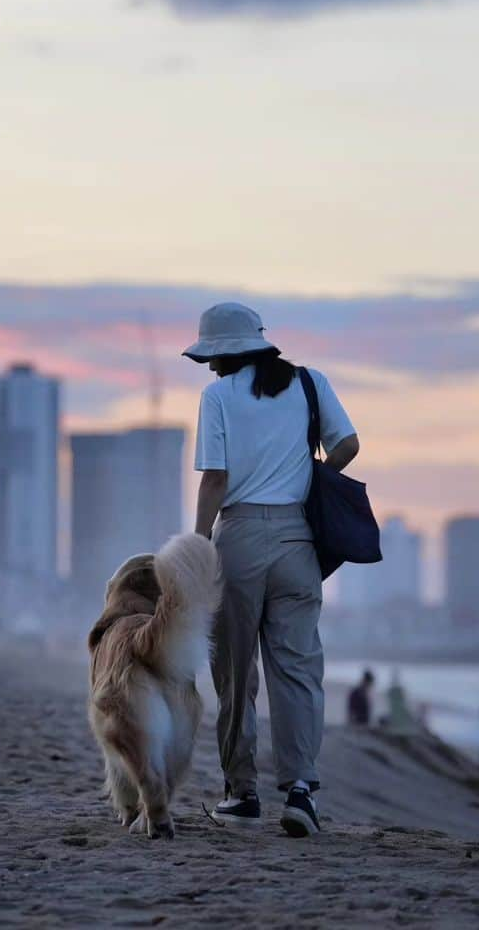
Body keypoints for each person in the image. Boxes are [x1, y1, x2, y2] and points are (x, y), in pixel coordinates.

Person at [187, 302, 360, 838]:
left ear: (226, 352)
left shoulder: (217, 397)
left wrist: (198, 546)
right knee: (298, 669)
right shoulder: (311, 383)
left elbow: (215, 480)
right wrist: (308, 479)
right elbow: (347, 446)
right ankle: (301, 790)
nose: (209, 367)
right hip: (297, 540)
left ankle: (242, 792)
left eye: (212, 357)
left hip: (238, 537)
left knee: (236, 673)